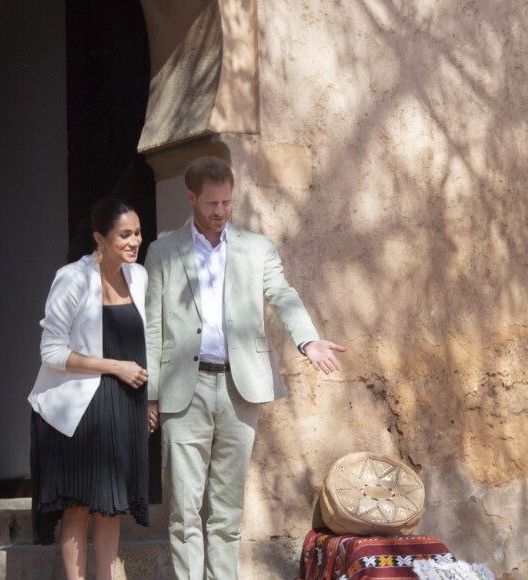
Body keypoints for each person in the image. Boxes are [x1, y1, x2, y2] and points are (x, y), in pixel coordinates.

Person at [144, 156, 345, 580]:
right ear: (191, 198)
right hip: (184, 391)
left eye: (227, 203)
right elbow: (154, 327)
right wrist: (151, 395)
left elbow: (283, 295)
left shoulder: (257, 248)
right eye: (212, 203)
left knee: (226, 509)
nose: (220, 212)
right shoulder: (162, 252)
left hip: (240, 390)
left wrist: (307, 339)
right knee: (183, 511)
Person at [28, 199, 157, 580]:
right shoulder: (72, 277)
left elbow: (145, 341)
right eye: (125, 235)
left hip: (125, 405)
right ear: (100, 238)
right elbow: (51, 351)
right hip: (80, 408)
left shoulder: (140, 277)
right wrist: (114, 366)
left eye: (137, 232)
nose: (135, 241)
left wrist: (148, 401)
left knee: (110, 506)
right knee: (79, 506)